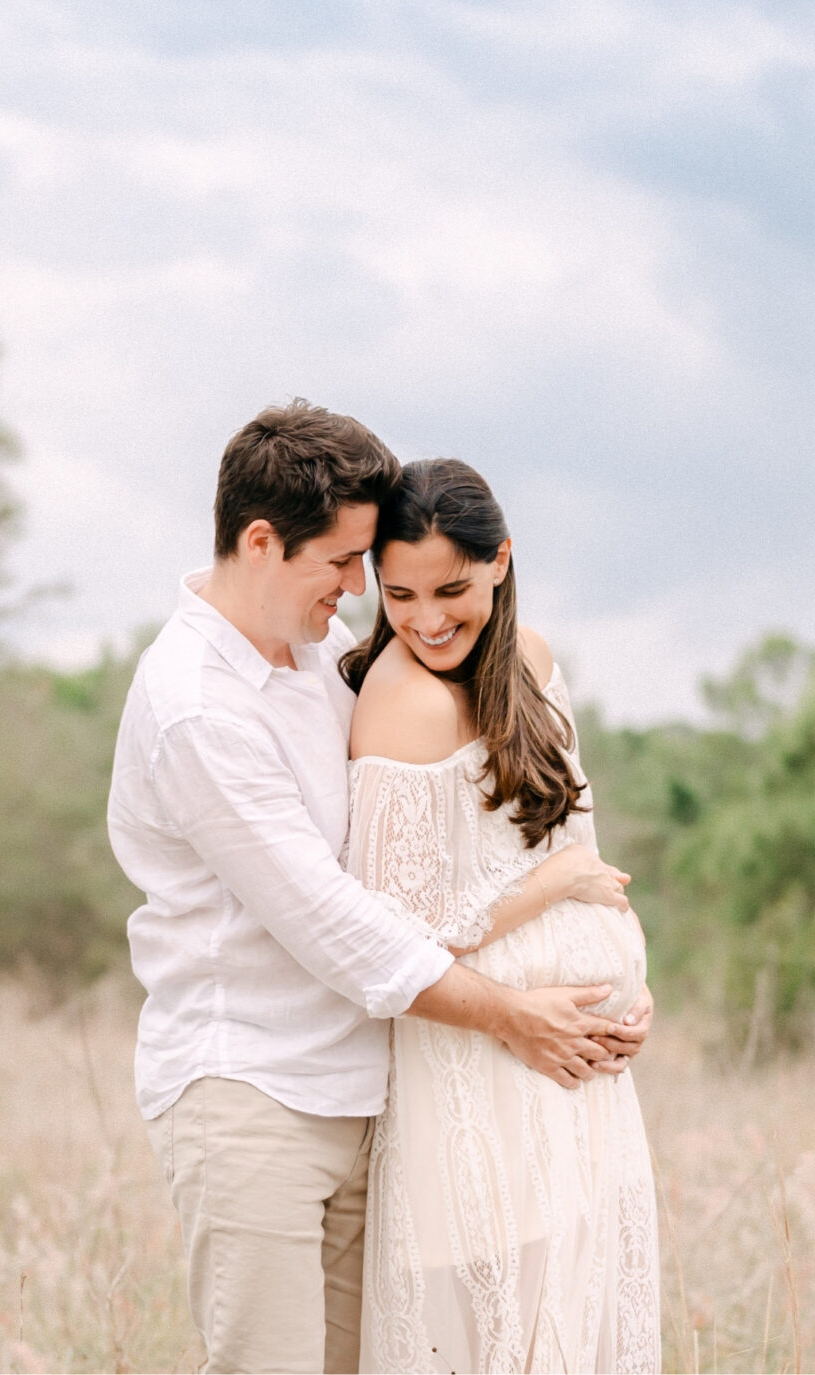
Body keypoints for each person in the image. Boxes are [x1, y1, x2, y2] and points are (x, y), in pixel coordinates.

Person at [106, 401, 645, 1373]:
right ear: (261, 541)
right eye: (345, 564)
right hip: (253, 1093)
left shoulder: (311, 659)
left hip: (363, 1089)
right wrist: (516, 1016)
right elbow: (342, 924)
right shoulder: (198, 707)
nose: (358, 591)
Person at [342, 459, 659, 1372]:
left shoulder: (534, 665)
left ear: (501, 562)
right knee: (485, 1335)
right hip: (472, 1075)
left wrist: (633, 994)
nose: (427, 618)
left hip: (581, 1079)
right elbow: (399, 929)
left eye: (451, 588)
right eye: (398, 593)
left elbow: (588, 849)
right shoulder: (399, 702)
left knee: (575, 1322)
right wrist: (556, 886)